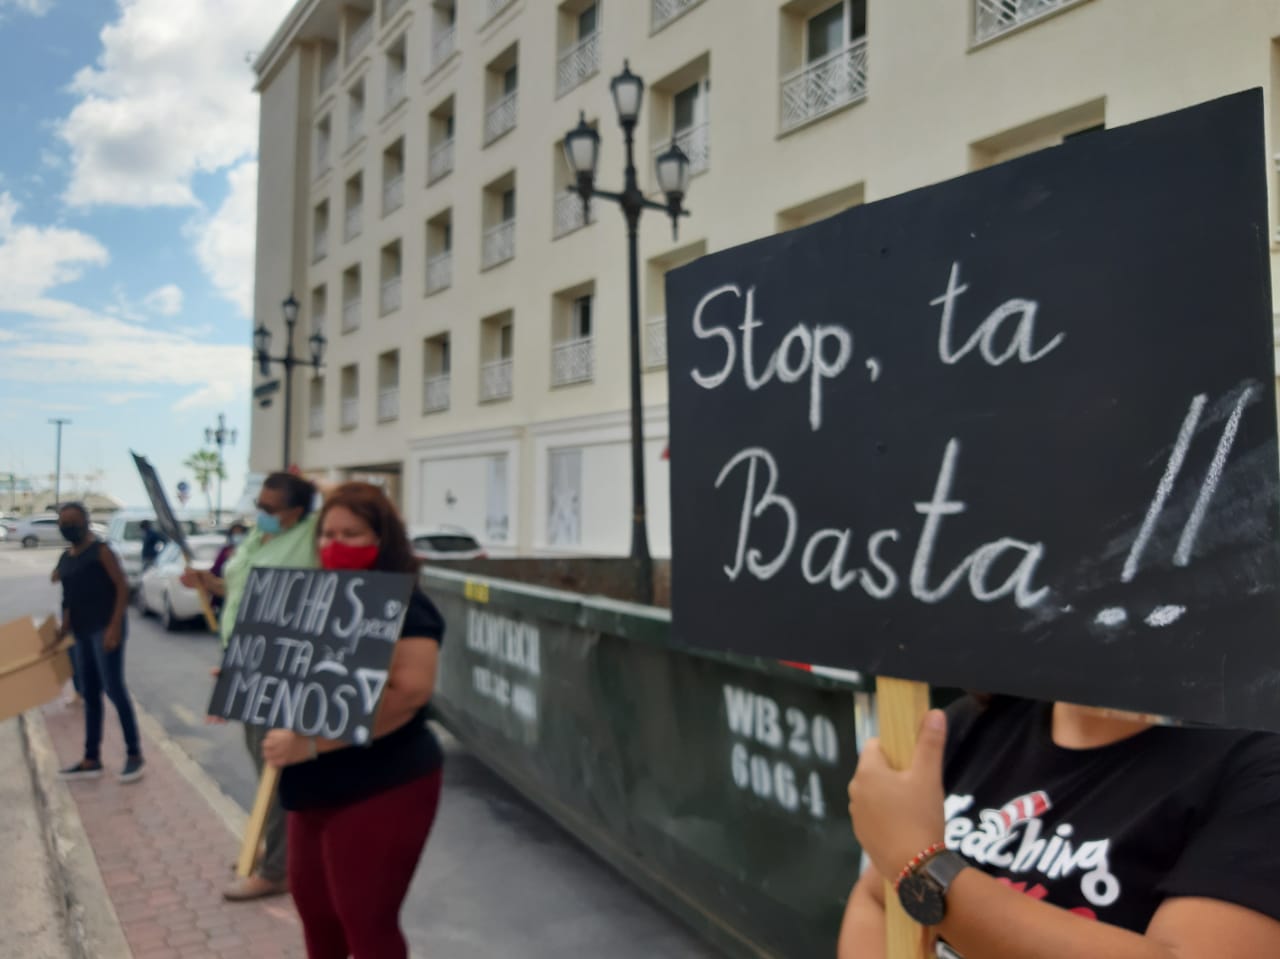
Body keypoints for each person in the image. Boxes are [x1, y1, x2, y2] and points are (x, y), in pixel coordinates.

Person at [839, 695, 1280, 958]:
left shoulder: (1254, 765)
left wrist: (924, 868)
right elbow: (876, 896)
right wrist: (904, 860)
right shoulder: (967, 725)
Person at [262, 482, 445, 959]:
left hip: (382, 785)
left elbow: (408, 694)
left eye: (351, 534)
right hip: (312, 791)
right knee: (319, 921)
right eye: (326, 534)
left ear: (382, 540)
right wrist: (253, 677)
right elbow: (307, 673)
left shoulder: (407, 606)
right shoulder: (317, 598)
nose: (333, 544)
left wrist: (313, 745)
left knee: (366, 925)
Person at [182, 473, 320, 902]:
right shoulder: (255, 539)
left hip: (282, 668)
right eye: (259, 504)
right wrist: (209, 582)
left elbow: (364, 501)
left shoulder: (310, 536)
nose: (261, 513)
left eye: (271, 508)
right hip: (243, 664)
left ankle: (278, 870)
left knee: (277, 770)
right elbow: (238, 587)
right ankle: (269, 847)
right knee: (262, 764)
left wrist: (315, 479)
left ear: (298, 513)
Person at [52, 503, 144, 783]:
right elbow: (68, 598)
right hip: (80, 632)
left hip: (105, 629)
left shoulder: (101, 551)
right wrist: (62, 630)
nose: (68, 526)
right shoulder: (66, 557)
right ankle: (91, 759)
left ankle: (134, 755)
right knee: (90, 694)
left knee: (114, 689)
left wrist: (114, 627)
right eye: (63, 522)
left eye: (73, 521)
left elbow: (121, 587)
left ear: (86, 522)